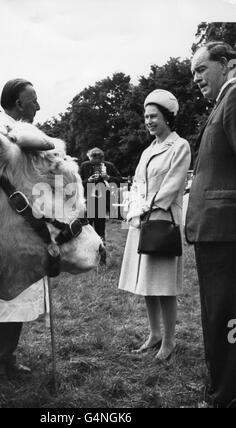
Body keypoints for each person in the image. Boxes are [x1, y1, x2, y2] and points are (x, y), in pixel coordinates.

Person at [0, 78, 49, 383]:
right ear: (19, 103)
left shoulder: (18, 129)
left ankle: (7, 358)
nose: (39, 106)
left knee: (17, 295)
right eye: (34, 101)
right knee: (0, 298)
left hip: (22, 227)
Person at [118, 90, 191, 361]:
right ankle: (154, 333)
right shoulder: (148, 150)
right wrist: (132, 205)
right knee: (146, 282)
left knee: (164, 284)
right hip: (142, 221)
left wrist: (147, 206)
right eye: (146, 116)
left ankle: (169, 340)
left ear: (167, 118)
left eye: (154, 116)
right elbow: (138, 184)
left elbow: (173, 186)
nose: (149, 121)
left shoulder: (179, 146)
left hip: (162, 222)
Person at [186, 42, 236, 408]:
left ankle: (223, 396)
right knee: (218, 315)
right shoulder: (223, 102)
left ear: (226, 63)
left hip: (226, 232)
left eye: (201, 69)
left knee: (224, 317)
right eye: (193, 74)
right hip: (216, 232)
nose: (196, 79)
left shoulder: (234, 98)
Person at [79, 148, 122, 264]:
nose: (96, 163)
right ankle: (86, 259)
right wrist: (88, 180)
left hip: (101, 202)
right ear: (89, 158)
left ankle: (102, 260)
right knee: (85, 231)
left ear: (102, 158)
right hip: (86, 201)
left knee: (100, 231)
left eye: (98, 161)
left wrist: (109, 178)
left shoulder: (109, 166)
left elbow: (120, 181)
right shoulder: (84, 166)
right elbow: (76, 183)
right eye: (93, 161)